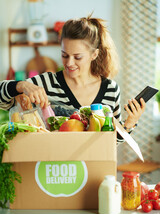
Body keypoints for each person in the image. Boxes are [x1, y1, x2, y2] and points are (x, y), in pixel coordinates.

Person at [0, 15, 145, 142]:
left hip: (92, 168)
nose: (69, 63)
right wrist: (21, 85)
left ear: (94, 54)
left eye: (77, 57)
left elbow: (111, 143)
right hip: (53, 168)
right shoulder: (46, 83)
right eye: (64, 55)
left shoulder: (110, 90)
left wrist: (129, 123)